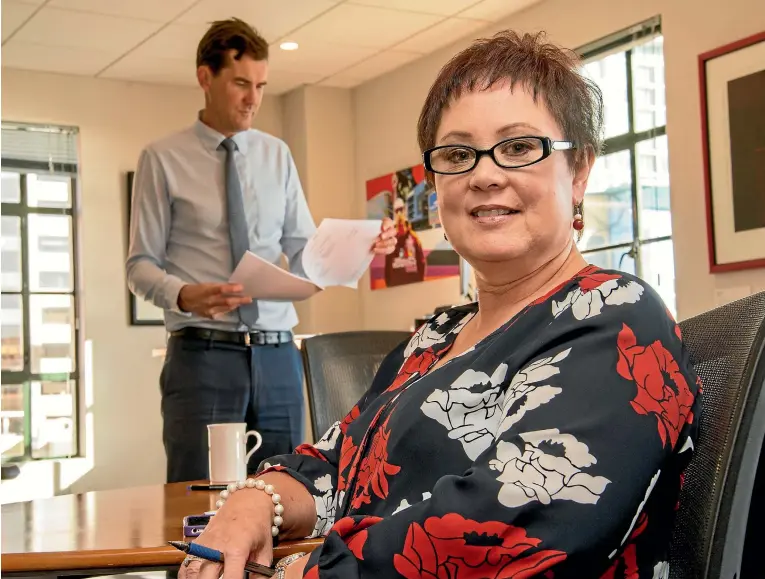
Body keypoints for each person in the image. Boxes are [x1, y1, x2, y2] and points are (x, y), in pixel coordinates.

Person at [177, 30, 702, 579]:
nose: (484, 175)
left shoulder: (616, 319)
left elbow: (495, 539)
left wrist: (293, 572)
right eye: (457, 154)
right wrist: (254, 501)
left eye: (520, 147)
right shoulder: (432, 340)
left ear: (580, 171)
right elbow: (333, 462)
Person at [126, 18, 396, 484]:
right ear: (205, 78)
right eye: (240, 84)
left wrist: (359, 246)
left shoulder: (277, 155)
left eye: (261, 85)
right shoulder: (162, 158)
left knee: (283, 491)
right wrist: (186, 294)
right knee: (199, 497)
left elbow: (303, 248)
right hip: (203, 355)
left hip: (278, 356)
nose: (253, 98)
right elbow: (139, 266)